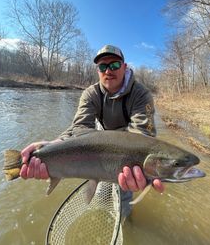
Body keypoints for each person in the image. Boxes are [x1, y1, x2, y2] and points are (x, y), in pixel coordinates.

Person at [20, 44, 164, 218]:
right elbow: (80, 128)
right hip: (97, 139)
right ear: (98, 70)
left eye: (115, 65)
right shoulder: (90, 94)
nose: (108, 70)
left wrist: (146, 166)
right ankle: (101, 210)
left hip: (128, 147)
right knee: (101, 197)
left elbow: (143, 137)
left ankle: (125, 219)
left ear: (125, 67)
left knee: (124, 194)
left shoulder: (141, 94)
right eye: (102, 66)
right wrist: (51, 146)